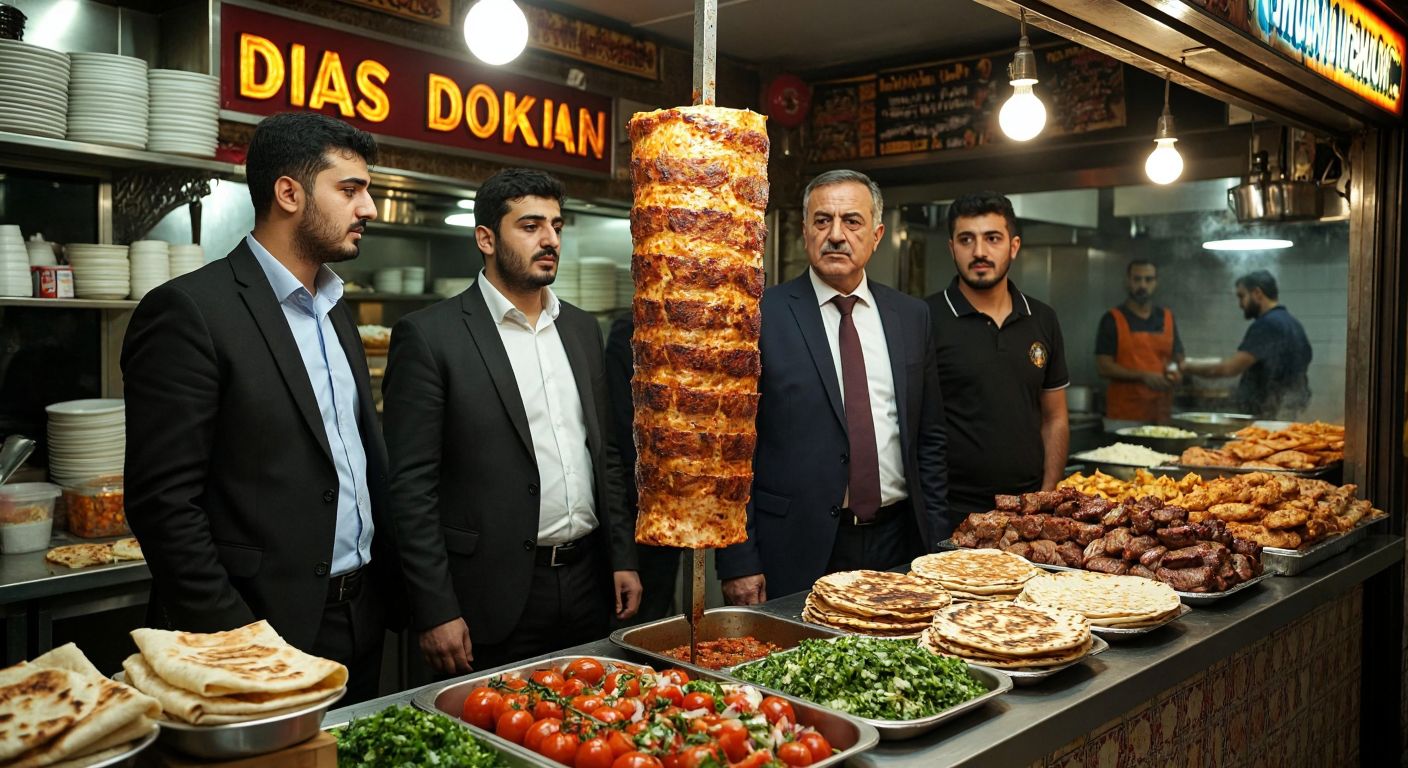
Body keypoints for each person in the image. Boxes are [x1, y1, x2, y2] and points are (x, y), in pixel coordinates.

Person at [122, 112, 400, 705]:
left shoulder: (335, 309)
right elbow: (163, 505)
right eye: (350, 190)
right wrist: (236, 637)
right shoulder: (190, 311)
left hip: (359, 618)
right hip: (254, 627)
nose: (369, 208)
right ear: (289, 193)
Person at [383, 168, 641, 676]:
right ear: (485, 238)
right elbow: (410, 490)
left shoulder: (583, 329)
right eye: (530, 226)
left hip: (589, 583)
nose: (549, 239)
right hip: (490, 596)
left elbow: (605, 453)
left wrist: (622, 556)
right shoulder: (431, 337)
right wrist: (436, 608)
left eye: (557, 225)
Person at [715, 169, 950, 606]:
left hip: (899, 541)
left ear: (877, 234)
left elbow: (929, 439)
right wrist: (738, 559)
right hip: (795, 545)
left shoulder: (910, 316)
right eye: (822, 221)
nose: (836, 235)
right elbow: (730, 451)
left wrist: (936, 544)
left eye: (852, 221)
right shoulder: (759, 316)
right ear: (805, 232)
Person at [927, 191, 1070, 521]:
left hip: (1027, 512)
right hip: (951, 511)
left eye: (992, 238)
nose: (979, 252)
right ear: (952, 248)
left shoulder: (1042, 318)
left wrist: (1045, 500)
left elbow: (1055, 418)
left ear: (1014, 246)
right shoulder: (924, 318)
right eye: (966, 240)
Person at [604, 313, 682, 622]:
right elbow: (622, 430)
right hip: (640, 509)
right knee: (634, 620)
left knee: (659, 614)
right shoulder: (633, 330)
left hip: (681, 507)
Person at [1182, 269, 1311, 419]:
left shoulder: (1268, 324)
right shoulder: (1293, 323)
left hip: (1268, 415)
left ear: (1257, 293)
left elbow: (1230, 368)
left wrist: (1186, 366)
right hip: (1286, 410)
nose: (1240, 304)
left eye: (1241, 296)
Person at [1095, 260, 1185, 422]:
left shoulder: (1167, 317)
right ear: (1128, 281)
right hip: (1124, 416)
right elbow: (1104, 367)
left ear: (1156, 283)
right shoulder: (1112, 319)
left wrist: (1174, 372)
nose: (1142, 285)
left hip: (1161, 414)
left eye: (1148, 279)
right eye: (1137, 279)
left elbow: (1176, 358)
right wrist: (1143, 376)